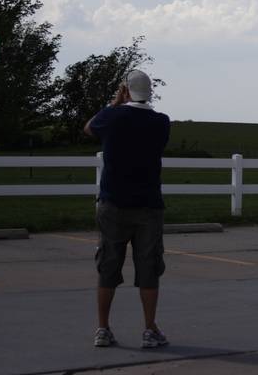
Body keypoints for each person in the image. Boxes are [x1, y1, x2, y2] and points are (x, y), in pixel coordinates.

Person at [83, 69, 171, 348]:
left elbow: (89, 128)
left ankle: (103, 328)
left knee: (109, 265)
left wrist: (114, 103)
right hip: (148, 205)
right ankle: (149, 328)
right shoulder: (161, 122)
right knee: (149, 268)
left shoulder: (113, 116)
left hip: (113, 203)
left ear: (126, 90)